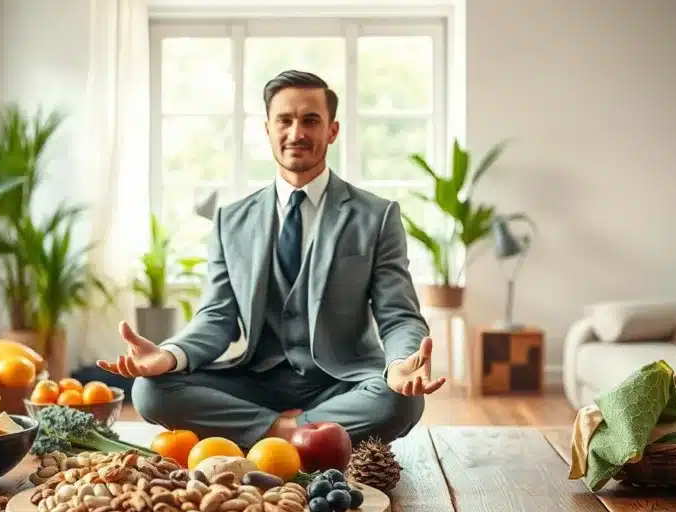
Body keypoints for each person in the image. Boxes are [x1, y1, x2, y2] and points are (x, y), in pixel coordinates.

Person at [98, 70, 445, 450]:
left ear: (332, 130)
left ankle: (268, 435)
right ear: (267, 129)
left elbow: (398, 314)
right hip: (254, 384)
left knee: (401, 400)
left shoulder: (375, 216)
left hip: (341, 384)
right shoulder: (230, 221)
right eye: (285, 120)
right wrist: (168, 355)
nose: (297, 133)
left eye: (311, 120)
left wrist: (400, 365)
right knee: (150, 391)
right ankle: (298, 436)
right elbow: (216, 318)